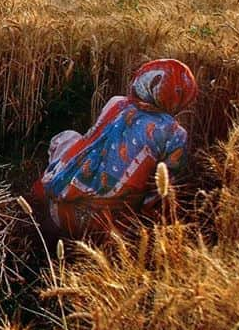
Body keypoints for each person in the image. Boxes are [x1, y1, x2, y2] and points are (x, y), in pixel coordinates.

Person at [30, 58, 198, 241]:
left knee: (68, 137)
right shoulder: (176, 134)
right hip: (109, 227)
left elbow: (89, 144)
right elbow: (160, 195)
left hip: (59, 211)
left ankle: (57, 186)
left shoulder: (116, 103)